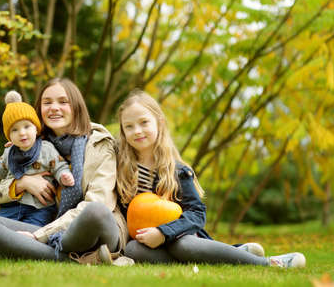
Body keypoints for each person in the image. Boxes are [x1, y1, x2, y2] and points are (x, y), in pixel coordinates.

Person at [116, 90, 306, 268]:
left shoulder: (177, 170)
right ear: (123, 131)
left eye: (144, 122)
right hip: (145, 243)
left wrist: (163, 233)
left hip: (181, 237)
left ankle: (267, 263)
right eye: (129, 126)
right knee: (133, 250)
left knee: (182, 247)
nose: (137, 131)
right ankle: (230, 253)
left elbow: (197, 213)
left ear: (159, 122)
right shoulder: (121, 169)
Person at [0, 78, 130, 265]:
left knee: (94, 211)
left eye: (63, 102)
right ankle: (76, 259)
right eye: (47, 102)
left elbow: (100, 201)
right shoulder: (30, 145)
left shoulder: (99, 144)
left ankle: (33, 249)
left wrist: (42, 234)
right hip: (48, 229)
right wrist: (22, 183)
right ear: (39, 109)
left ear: (76, 106)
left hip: (95, 231)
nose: (54, 108)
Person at [0, 90, 74, 227]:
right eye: (14, 130)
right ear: (9, 136)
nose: (22, 133)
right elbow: (1, 168)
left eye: (27, 126)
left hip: (39, 207)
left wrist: (64, 175)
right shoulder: (9, 152)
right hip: (11, 205)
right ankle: (5, 244)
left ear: (36, 128)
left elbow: (59, 165)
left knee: (33, 229)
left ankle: (24, 244)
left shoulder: (46, 149)